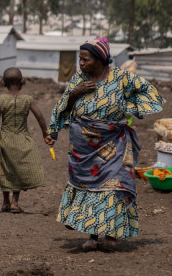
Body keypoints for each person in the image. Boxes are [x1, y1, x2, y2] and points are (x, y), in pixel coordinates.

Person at [48, 38, 164, 251]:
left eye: (85, 59)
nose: (81, 63)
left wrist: (129, 106)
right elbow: (61, 108)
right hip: (84, 148)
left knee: (115, 185)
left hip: (114, 142)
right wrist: (75, 94)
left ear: (100, 59)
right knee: (90, 189)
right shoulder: (78, 80)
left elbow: (151, 94)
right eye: (79, 59)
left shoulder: (121, 78)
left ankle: (111, 232)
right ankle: (93, 235)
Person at [0, 67, 54, 213]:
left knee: (5, 170)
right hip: (23, 138)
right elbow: (40, 116)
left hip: (5, 139)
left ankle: (5, 202)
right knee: (19, 169)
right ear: (21, 82)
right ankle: (15, 203)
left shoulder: (1, 99)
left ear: (4, 83)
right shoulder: (28, 100)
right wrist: (45, 134)